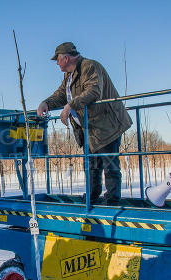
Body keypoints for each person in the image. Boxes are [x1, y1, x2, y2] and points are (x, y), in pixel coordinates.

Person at [37, 42, 133, 204]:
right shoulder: (69, 75)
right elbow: (61, 94)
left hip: (106, 124)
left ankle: (112, 199)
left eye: (58, 60)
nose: (57, 64)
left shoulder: (89, 67)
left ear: (66, 58)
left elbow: (94, 91)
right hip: (91, 128)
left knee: (109, 164)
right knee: (91, 165)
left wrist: (70, 106)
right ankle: (92, 196)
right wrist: (46, 103)